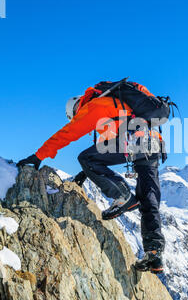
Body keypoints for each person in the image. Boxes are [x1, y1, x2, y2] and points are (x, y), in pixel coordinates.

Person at [17, 81, 166, 273]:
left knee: (85, 157)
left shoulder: (94, 106)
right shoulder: (118, 104)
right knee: (149, 198)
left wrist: (38, 155)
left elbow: (67, 134)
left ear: (77, 107)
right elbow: (109, 147)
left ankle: (124, 197)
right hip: (152, 143)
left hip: (132, 141)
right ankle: (154, 253)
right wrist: (85, 173)